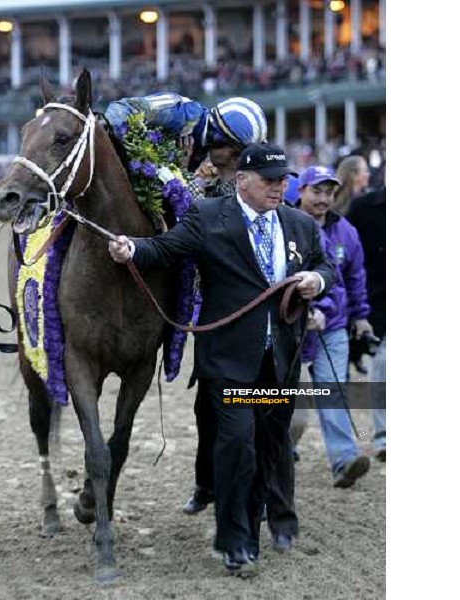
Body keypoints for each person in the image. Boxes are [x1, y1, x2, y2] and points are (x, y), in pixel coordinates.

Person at [108, 143, 336, 576]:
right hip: (229, 361)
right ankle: (236, 540)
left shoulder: (300, 224)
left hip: (281, 360)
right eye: (270, 180)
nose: (279, 187)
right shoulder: (209, 217)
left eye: (283, 179)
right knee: (236, 446)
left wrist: (315, 279)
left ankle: (280, 519)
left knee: (275, 444)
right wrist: (131, 249)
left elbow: (327, 266)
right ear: (242, 181)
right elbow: (165, 248)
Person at [181, 107, 268, 516]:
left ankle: (261, 491)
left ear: (240, 150)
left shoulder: (266, 188)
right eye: (211, 144)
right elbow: (183, 223)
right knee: (207, 409)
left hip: (260, 313)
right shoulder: (205, 187)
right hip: (215, 312)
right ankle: (206, 483)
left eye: (220, 146)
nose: (212, 153)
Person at [295, 165, 373, 487]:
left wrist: (361, 315)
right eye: (317, 191)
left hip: (332, 326)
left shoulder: (346, 232)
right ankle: (279, 450)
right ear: (301, 191)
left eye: (329, 192)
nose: (323, 199)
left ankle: (343, 458)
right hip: (291, 330)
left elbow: (353, 278)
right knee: (287, 401)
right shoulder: (283, 225)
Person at [105, 93, 268, 173]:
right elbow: (120, 109)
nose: (235, 163)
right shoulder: (178, 110)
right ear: (218, 138)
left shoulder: (204, 150)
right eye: (236, 154)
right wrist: (139, 153)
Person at [347, 185, 386, 461]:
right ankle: (384, 435)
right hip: (377, 302)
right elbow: (349, 257)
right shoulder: (363, 208)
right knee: (383, 364)